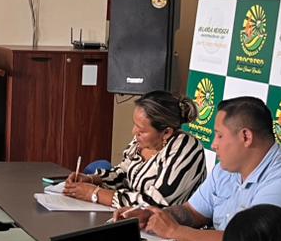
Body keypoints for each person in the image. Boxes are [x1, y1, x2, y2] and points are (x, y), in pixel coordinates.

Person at [119, 96, 281, 241]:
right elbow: (192, 212)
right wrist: (153, 216)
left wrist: (174, 231)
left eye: (220, 136)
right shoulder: (226, 170)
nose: (214, 144)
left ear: (246, 137)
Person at [63, 90, 206, 210]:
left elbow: (156, 203)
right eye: (135, 125)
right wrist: (92, 180)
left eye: (141, 130)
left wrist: (95, 194)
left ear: (166, 132)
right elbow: (122, 174)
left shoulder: (187, 148)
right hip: (132, 220)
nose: (134, 132)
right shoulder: (142, 142)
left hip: (170, 231)